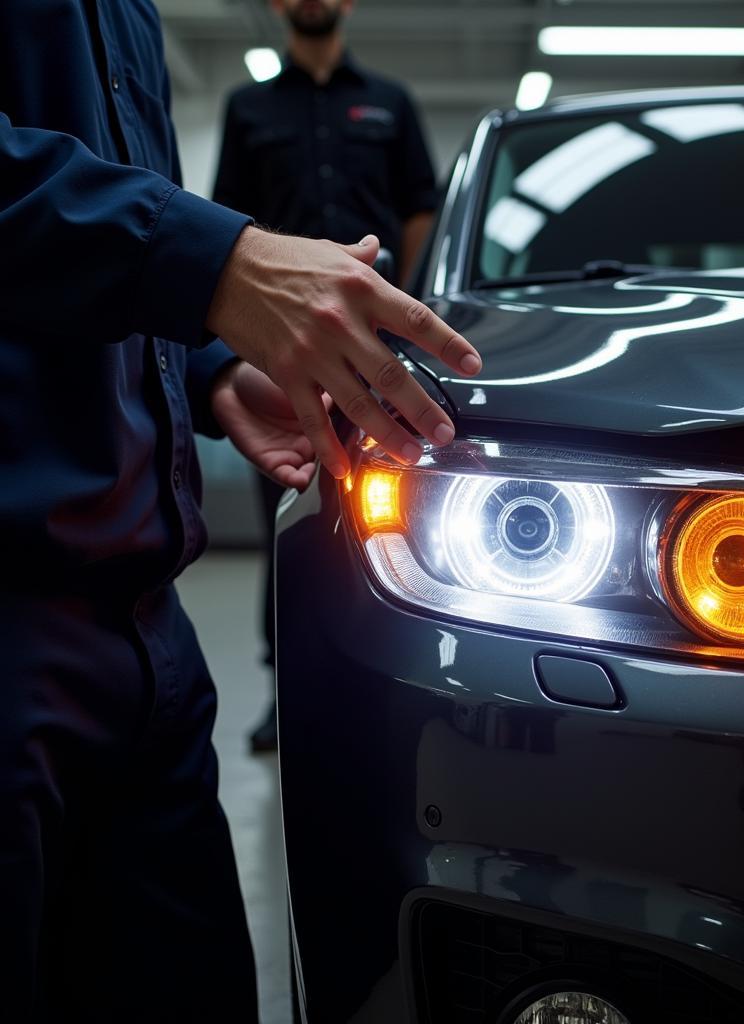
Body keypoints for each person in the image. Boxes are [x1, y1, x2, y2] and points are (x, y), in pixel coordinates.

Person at [0, 1, 480, 1020]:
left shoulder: (129, 13)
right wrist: (217, 266)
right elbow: (175, 229)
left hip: (145, 621)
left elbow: (119, 221)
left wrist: (205, 367)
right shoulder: (255, 106)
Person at [214, 0, 439, 752]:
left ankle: (384, 683)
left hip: (378, 346)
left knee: (388, 505)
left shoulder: (390, 101)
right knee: (293, 519)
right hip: (279, 349)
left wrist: (404, 298)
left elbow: (418, 211)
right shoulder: (248, 107)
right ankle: (286, 693)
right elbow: (227, 222)